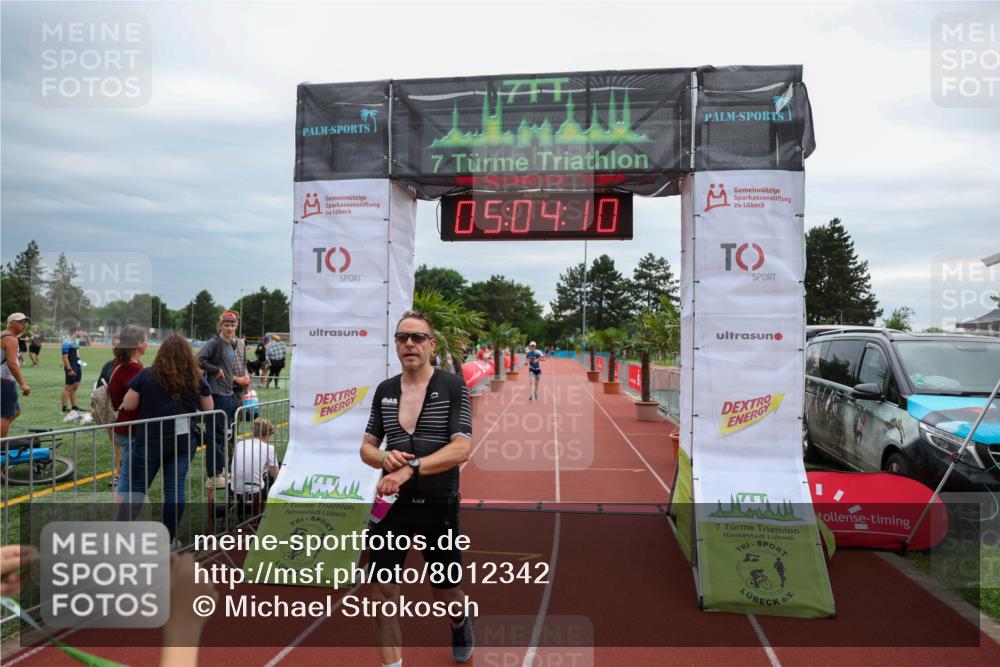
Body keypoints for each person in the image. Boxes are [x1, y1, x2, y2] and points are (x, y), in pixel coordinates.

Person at [359, 310, 475, 666]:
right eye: (402, 337)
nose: (409, 343)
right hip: (391, 505)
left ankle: (459, 620)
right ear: (395, 344)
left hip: (438, 503)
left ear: (431, 345)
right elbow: (366, 448)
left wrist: (410, 468)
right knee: (382, 592)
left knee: (444, 590)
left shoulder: (453, 387)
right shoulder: (385, 390)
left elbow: (461, 448)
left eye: (417, 337)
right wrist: (384, 460)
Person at [119, 334, 213, 542]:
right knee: (175, 489)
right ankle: (169, 539)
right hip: (182, 440)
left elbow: (128, 405)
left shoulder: (147, 375)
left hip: (150, 439)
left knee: (137, 489)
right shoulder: (195, 377)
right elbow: (209, 408)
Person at [197, 311, 249, 489]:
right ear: (220, 326)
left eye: (232, 325)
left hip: (228, 395)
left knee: (223, 435)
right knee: (214, 436)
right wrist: (214, 370)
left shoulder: (231, 344)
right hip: (217, 394)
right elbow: (198, 360)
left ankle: (221, 471)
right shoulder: (214, 342)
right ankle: (213, 475)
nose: (229, 328)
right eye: (226, 325)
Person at [108, 327, 147, 490]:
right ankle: (123, 511)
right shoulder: (133, 369)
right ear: (137, 344)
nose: (147, 343)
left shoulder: (124, 364)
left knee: (128, 473)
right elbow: (139, 400)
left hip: (125, 426)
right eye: (145, 340)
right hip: (131, 427)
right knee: (130, 476)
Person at [230, 417, 279, 519]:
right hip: (255, 492)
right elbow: (276, 475)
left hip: (234, 489)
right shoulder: (269, 448)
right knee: (274, 483)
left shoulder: (240, 444)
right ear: (268, 434)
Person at [1, 313, 32, 438]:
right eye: (21, 322)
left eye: (25, 322)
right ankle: (1, 448)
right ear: (12, 322)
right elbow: (12, 364)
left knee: (16, 411)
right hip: (5, 381)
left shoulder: (2, 334)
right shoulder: (11, 339)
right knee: (5, 416)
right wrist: (23, 384)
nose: (24, 325)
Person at [61, 329, 87, 414]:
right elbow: (65, 357)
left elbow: (88, 344)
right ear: (75, 332)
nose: (82, 333)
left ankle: (74, 406)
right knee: (68, 387)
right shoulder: (66, 342)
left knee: (75, 386)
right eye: (80, 331)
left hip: (77, 364)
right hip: (71, 366)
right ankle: (64, 408)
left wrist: (87, 336)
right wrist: (69, 369)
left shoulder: (76, 341)